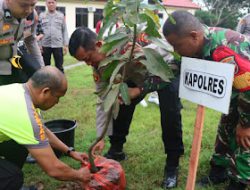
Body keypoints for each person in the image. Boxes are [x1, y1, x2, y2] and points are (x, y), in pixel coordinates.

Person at [69, 26, 184, 189]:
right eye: (84, 61)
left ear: (99, 44)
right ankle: (116, 149)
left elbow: (170, 57)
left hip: (163, 73)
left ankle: (172, 164)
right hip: (135, 79)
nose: (89, 64)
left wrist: (140, 85)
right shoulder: (99, 68)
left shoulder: (130, 43)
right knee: (118, 100)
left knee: (170, 112)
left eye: (88, 58)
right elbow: (103, 101)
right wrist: (100, 136)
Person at [163, 10, 250, 190]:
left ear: (194, 36)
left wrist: (246, 124)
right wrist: (139, 88)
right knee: (226, 127)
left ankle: (239, 181)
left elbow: (249, 87)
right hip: (236, 91)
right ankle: (219, 170)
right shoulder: (193, 46)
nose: (175, 50)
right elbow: (170, 69)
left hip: (248, 89)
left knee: (244, 138)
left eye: (177, 45)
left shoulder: (225, 48)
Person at [0, 66, 91, 190]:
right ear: (46, 92)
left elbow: (43, 132)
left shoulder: (21, 92)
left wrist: (70, 152)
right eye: (58, 97)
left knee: (22, 146)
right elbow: (53, 169)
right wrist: (79, 175)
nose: (57, 102)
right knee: (12, 177)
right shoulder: (24, 112)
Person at [0, 0, 44, 85]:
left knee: (37, 75)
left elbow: (31, 40)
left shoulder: (32, 16)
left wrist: (41, 67)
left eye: (33, 5)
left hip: (14, 57)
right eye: (23, 5)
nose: (28, 10)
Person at [39, 0, 69, 73]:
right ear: (46, 4)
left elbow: (64, 30)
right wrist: (39, 45)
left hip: (58, 44)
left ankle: (60, 83)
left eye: (53, 2)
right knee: (45, 66)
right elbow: (38, 31)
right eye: (49, 2)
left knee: (59, 66)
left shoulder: (61, 16)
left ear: (56, 4)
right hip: (45, 44)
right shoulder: (41, 16)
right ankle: (46, 82)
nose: (51, 4)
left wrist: (65, 45)